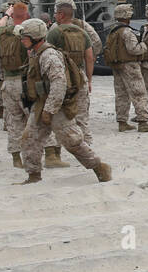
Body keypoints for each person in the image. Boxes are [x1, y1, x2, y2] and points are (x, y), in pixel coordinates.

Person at [15, 18, 112, 184]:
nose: (22, 40)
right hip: (42, 104)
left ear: (35, 37)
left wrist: (50, 110)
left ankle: (99, 167)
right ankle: (33, 175)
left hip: (56, 107)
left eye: (25, 37)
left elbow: (59, 84)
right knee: (29, 139)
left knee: (72, 142)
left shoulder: (49, 56)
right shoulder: (37, 54)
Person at [45, 0, 95, 166]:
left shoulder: (54, 32)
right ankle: (87, 150)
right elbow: (90, 56)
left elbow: (46, 54)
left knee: (55, 114)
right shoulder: (82, 31)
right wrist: (89, 79)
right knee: (82, 115)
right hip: (79, 75)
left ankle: (54, 154)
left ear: (60, 15)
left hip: (60, 76)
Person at [104, 0, 148, 132]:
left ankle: (122, 122)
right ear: (127, 16)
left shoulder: (112, 31)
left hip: (117, 66)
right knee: (139, 92)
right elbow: (133, 49)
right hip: (130, 65)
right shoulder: (127, 32)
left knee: (121, 94)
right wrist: (144, 45)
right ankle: (143, 121)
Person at [0, 0, 31, 166]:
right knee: (36, 119)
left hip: (8, 82)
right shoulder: (30, 32)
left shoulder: (3, 34)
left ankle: (16, 157)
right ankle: (51, 154)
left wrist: (7, 14)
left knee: (14, 121)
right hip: (26, 82)